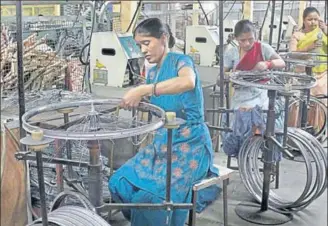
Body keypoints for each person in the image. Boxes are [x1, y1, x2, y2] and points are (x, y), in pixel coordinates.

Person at [108, 18, 220, 226]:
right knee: (118, 182)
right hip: (163, 143)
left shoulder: (181, 61)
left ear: (164, 38)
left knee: (150, 199)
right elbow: (157, 101)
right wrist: (135, 98)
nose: (142, 50)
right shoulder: (152, 72)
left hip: (191, 146)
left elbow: (188, 81)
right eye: (139, 44)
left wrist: (144, 90)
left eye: (147, 43)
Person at [221, 19, 286, 158]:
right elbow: (221, 77)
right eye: (242, 40)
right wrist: (230, 75)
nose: (247, 44)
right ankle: (243, 154)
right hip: (241, 96)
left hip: (262, 93)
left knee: (269, 118)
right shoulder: (231, 53)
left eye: (250, 39)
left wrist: (267, 64)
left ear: (255, 35)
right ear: (235, 38)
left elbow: (281, 62)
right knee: (242, 119)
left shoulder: (263, 48)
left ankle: (268, 155)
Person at [288, 7, 327, 133]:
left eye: (316, 19)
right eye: (310, 19)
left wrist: (326, 30)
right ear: (303, 20)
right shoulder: (297, 35)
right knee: (299, 104)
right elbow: (292, 54)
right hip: (302, 76)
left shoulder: (322, 34)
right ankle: (296, 135)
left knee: (320, 104)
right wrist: (307, 48)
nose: (313, 22)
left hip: (321, 76)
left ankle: (318, 134)